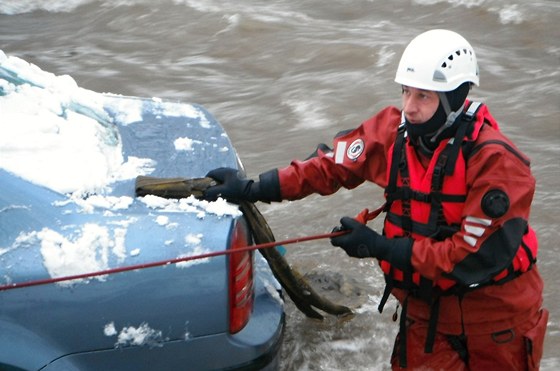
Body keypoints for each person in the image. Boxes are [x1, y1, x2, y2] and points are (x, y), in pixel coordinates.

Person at [203, 29, 548, 370]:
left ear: (455, 99)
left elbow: (468, 259)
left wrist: (379, 247)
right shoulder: (392, 133)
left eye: (424, 97)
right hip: (424, 318)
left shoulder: (497, 163)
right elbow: (327, 168)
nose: (409, 108)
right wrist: (252, 189)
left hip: (497, 324)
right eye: (406, 93)